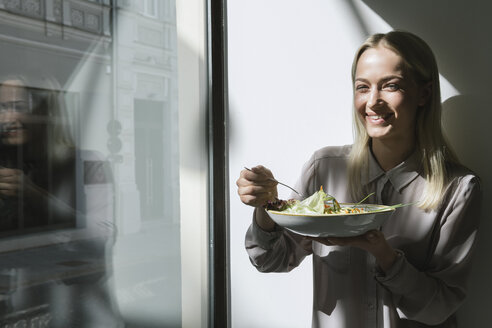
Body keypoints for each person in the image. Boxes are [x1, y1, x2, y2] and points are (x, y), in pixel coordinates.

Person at [236, 30, 482, 328]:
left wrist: (384, 254)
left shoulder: (458, 189)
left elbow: (438, 309)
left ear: (424, 93)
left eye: (391, 86)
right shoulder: (323, 168)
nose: (373, 101)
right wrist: (266, 206)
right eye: (362, 87)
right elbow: (270, 260)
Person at [0, 75, 123, 327]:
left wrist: (34, 195)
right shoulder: (9, 165)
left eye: (18, 108)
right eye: (2, 108)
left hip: (79, 315)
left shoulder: (87, 163)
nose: (7, 119)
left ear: (46, 111)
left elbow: (100, 238)